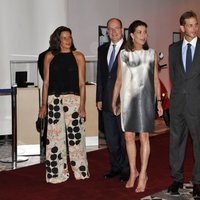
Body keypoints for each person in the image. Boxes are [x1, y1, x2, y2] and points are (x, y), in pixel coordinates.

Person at [112, 20, 163, 192]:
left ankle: (143, 174)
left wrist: (160, 103)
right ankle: (133, 171)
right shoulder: (124, 55)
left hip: (146, 100)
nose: (143, 35)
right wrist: (114, 100)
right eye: (139, 32)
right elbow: (119, 80)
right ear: (132, 35)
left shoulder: (152, 54)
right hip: (127, 100)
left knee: (144, 138)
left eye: (145, 32)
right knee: (128, 137)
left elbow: (156, 79)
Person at [38, 26, 90, 184]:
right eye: (65, 38)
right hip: (54, 101)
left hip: (73, 101)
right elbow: (45, 83)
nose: (68, 40)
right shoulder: (49, 56)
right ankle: (56, 174)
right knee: (54, 139)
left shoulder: (79, 56)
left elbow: (82, 84)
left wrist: (82, 106)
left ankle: (81, 172)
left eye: (70, 37)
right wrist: (43, 105)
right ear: (58, 40)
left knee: (76, 139)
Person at [167, 11, 200, 197]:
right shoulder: (173, 48)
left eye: (196, 24)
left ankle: (198, 181)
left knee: (198, 144)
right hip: (178, 104)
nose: (194, 28)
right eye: (190, 25)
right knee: (176, 143)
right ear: (182, 28)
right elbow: (173, 77)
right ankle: (177, 179)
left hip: (197, 103)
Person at [96, 18, 130, 182]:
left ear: (122, 30)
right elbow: (101, 76)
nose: (113, 32)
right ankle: (115, 167)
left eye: (116, 28)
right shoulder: (102, 49)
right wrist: (99, 98)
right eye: (110, 29)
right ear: (107, 31)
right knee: (111, 138)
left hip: (124, 100)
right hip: (107, 100)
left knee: (124, 137)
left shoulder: (130, 48)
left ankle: (126, 169)